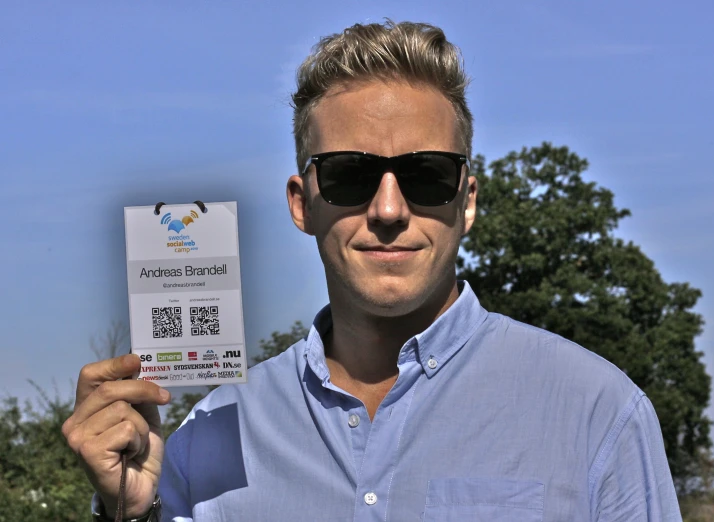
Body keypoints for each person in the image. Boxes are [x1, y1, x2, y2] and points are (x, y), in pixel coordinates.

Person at [63, 20, 682, 522]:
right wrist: (127, 513)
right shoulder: (209, 432)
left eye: (426, 176)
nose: (389, 209)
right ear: (302, 204)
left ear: (466, 201)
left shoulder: (599, 413)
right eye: (351, 175)